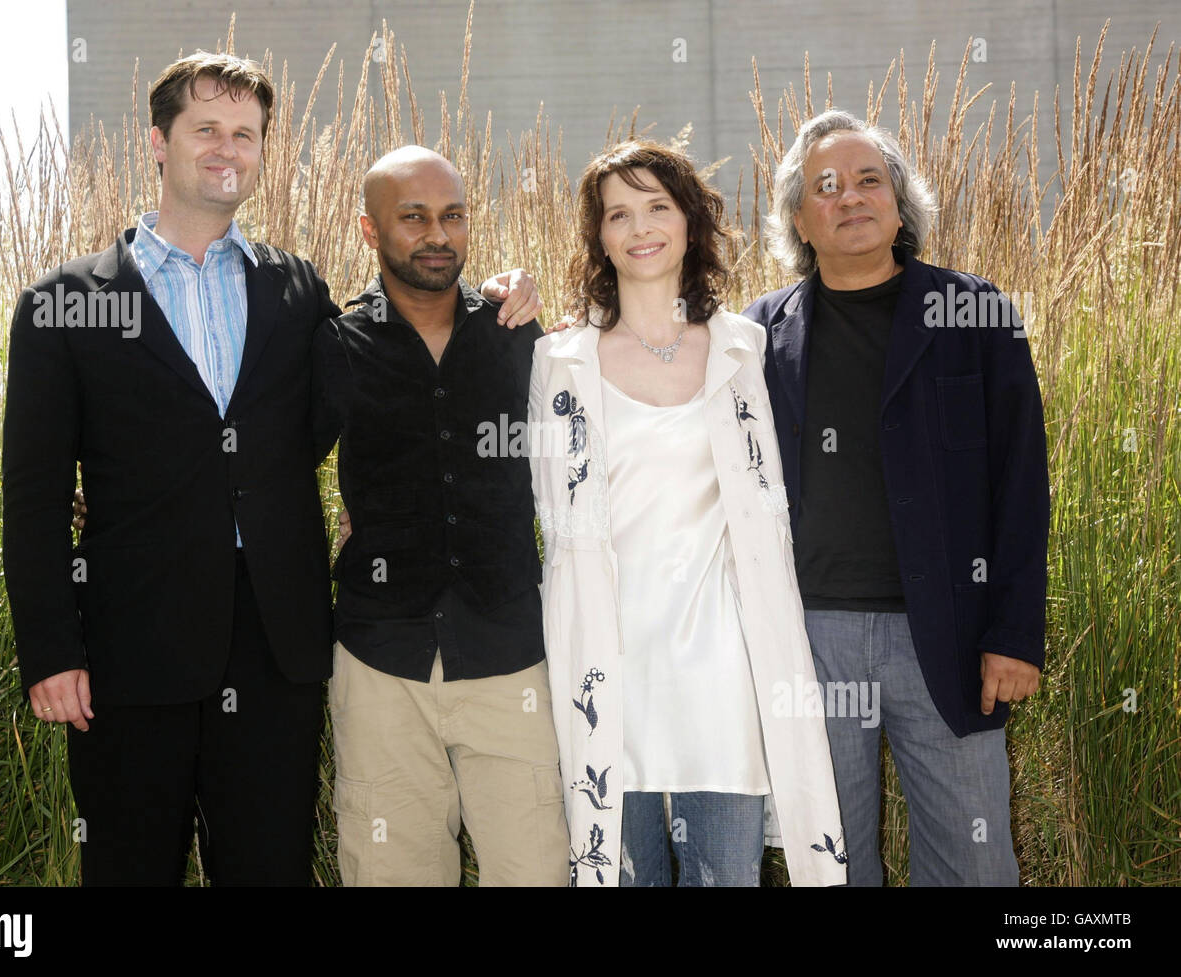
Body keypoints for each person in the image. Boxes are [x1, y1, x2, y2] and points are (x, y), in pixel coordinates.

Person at [3, 51, 539, 886]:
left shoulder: (296, 289)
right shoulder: (63, 305)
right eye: (207, 128)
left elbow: (388, 369)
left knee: (269, 868)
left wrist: (505, 294)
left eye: (246, 134)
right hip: (128, 652)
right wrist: (49, 649)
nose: (228, 148)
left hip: (278, 649)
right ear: (159, 140)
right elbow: (32, 497)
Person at [531, 140, 846, 886]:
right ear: (599, 236)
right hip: (610, 672)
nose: (640, 227)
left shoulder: (743, 351)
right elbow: (546, 522)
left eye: (657, 207)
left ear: (690, 222)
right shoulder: (561, 363)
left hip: (723, 676)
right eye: (619, 213)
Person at [745, 109, 1048, 885]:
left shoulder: (974, 313)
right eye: (826, 186)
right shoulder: (754, 335)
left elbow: (1021, 484)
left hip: (947, 634)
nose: (850, 197)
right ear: (800, 221)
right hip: (811, 641)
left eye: (869, 179)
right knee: (834, 865)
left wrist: (1014, 631)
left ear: (899, 201)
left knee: (976, 865)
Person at [314, 146, 568, 886]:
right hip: (381, 661)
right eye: (414, 217)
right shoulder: (334, 346)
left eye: (452, 215)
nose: (437, 234)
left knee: (537, 871)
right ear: (370, 230)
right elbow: (263, 467)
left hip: (511, 658)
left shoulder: (520, 334)